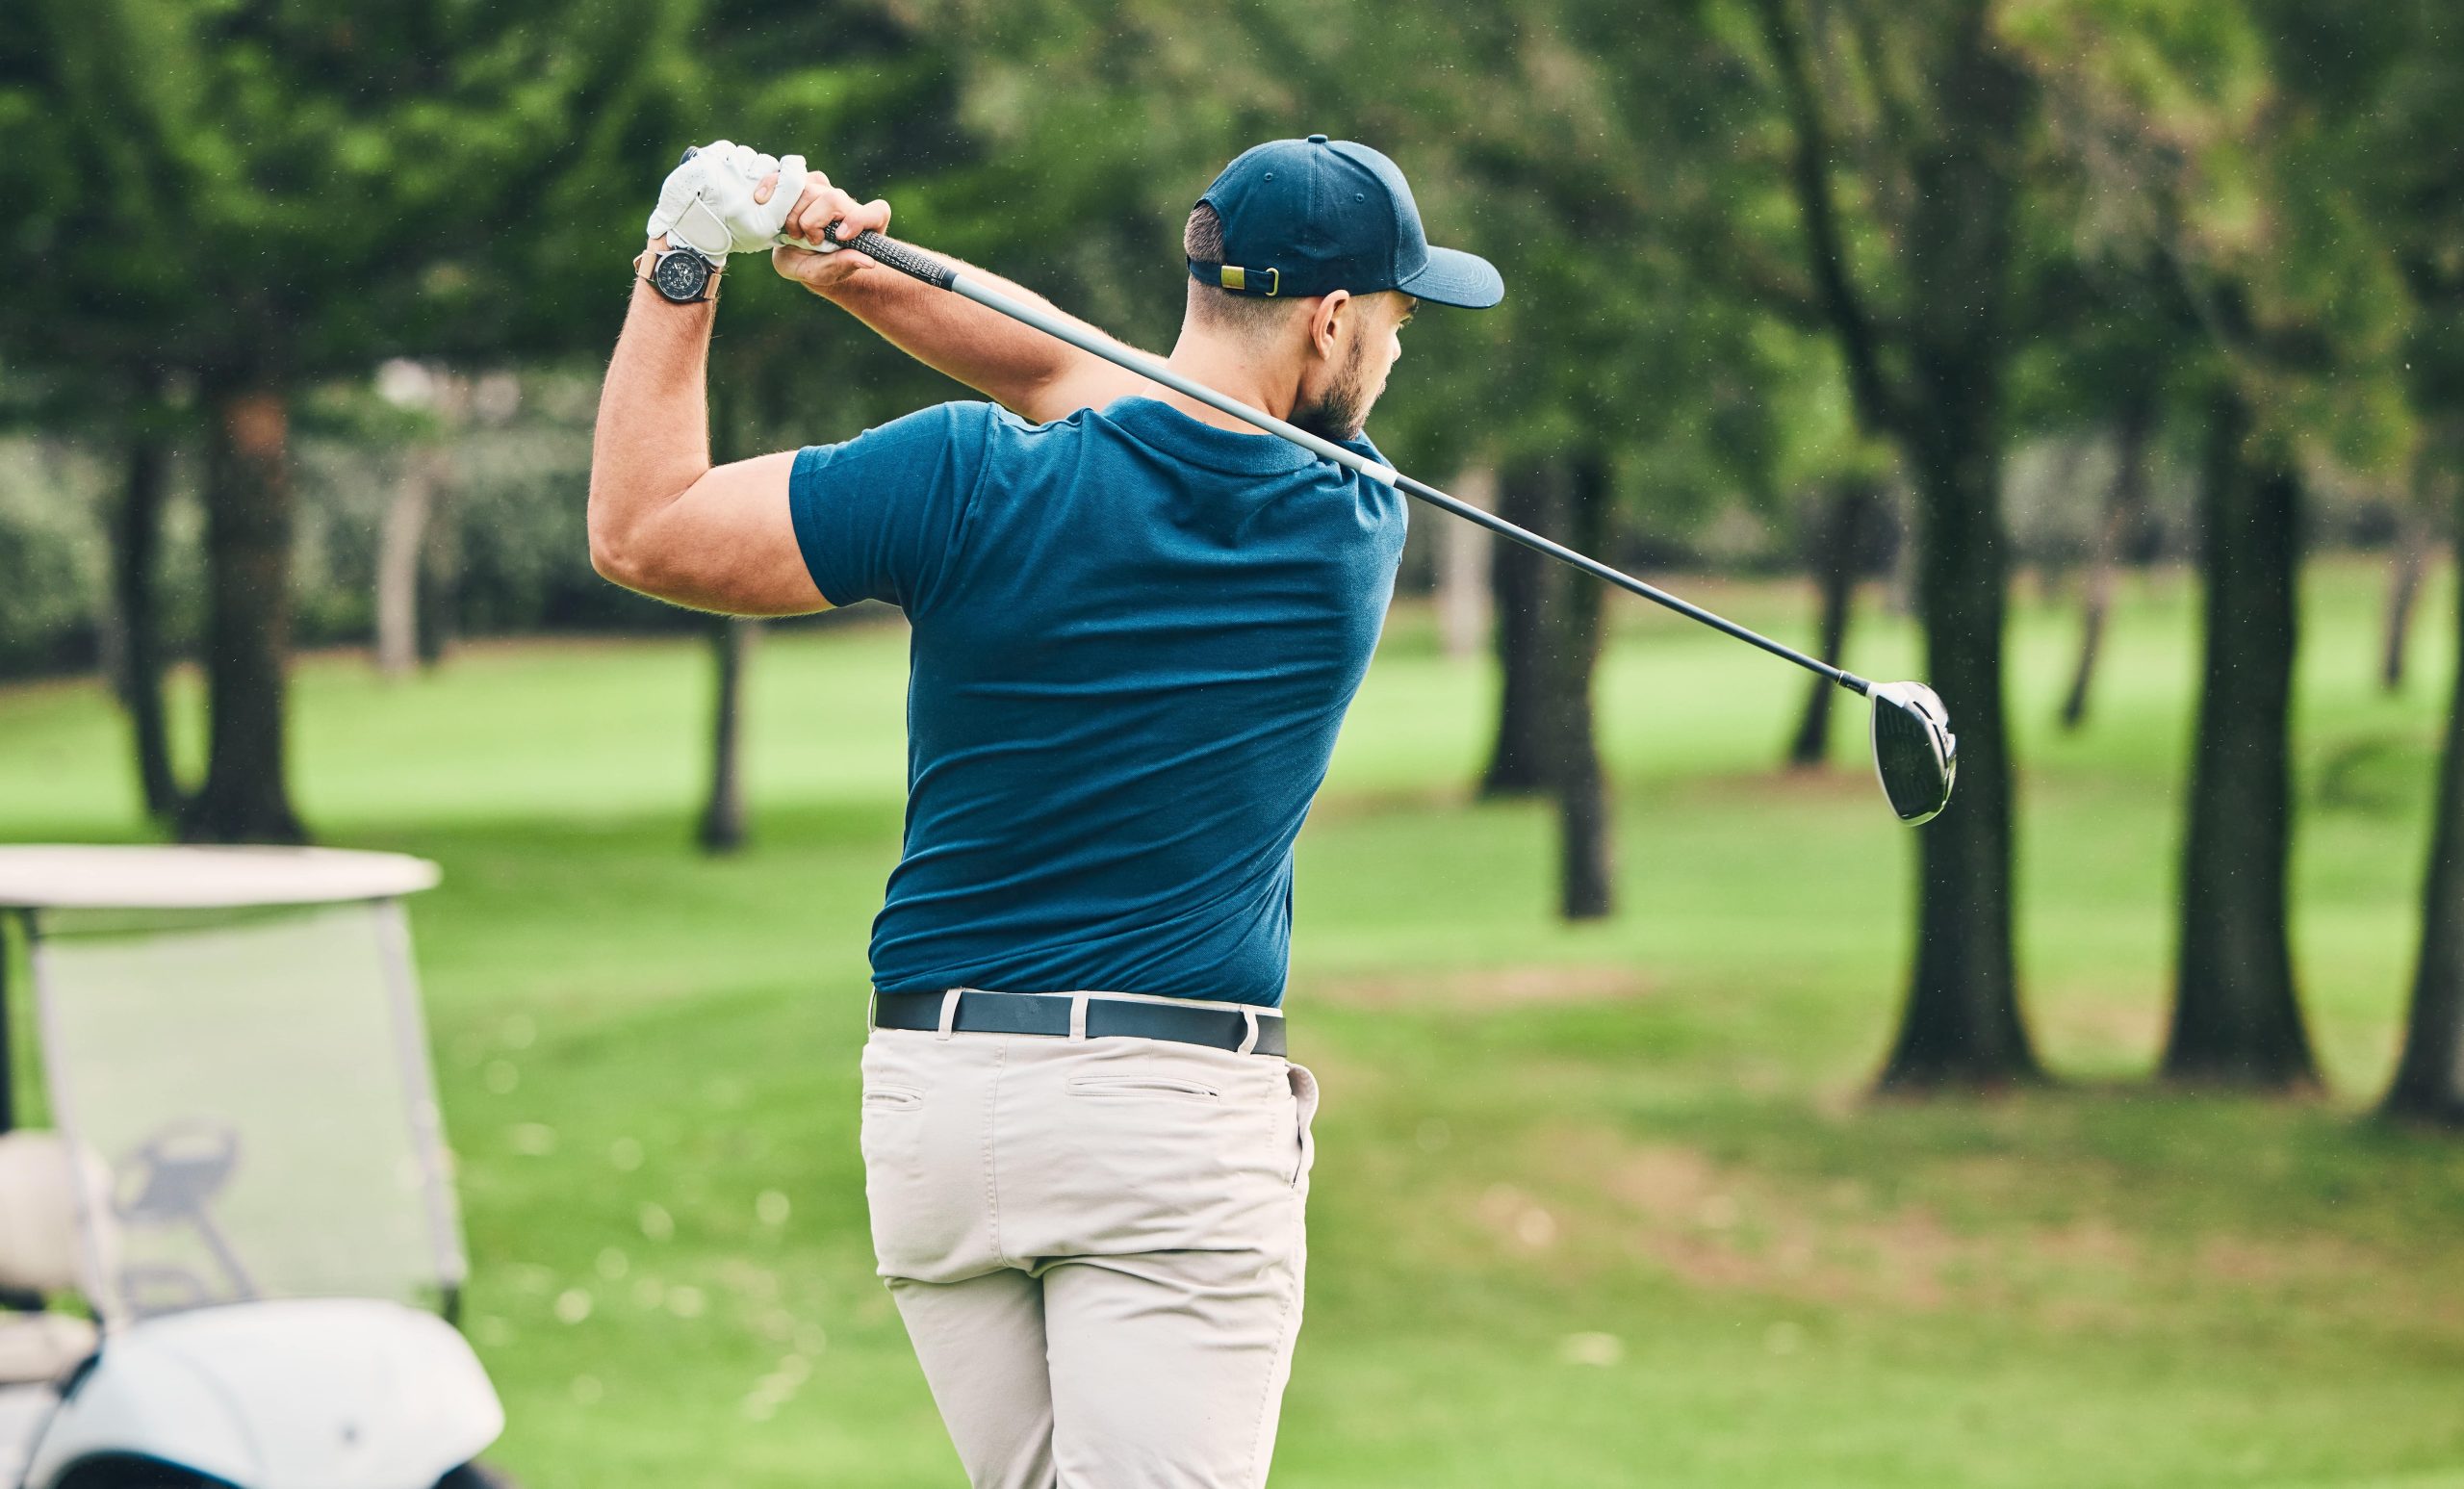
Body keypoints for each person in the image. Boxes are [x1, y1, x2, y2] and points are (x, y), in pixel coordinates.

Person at [588, 134, 1502, 1488]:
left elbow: (641, 529)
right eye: (1394, 317)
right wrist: (849, 270)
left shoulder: (962, 478)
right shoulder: (1347, 521)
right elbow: (1082, 369)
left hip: (938, 1115)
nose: (1396, 347)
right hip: (1166, 1129)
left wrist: (690, 262)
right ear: (1326, 323)